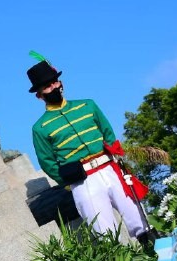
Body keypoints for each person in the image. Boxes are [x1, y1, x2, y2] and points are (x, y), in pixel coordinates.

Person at [27, 59, 150, 244]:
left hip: (110, 169)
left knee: (137, 217)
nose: (53, 88)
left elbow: (108, 133)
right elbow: (47, 162)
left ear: (61, 83)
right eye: (46, 87)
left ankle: (156, 253)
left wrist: (114, 159)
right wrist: (68, 180)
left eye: (54, 82)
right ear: (39, 95)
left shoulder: (87, 106)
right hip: (83, 181)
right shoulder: (40, 128)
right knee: (105, 233)